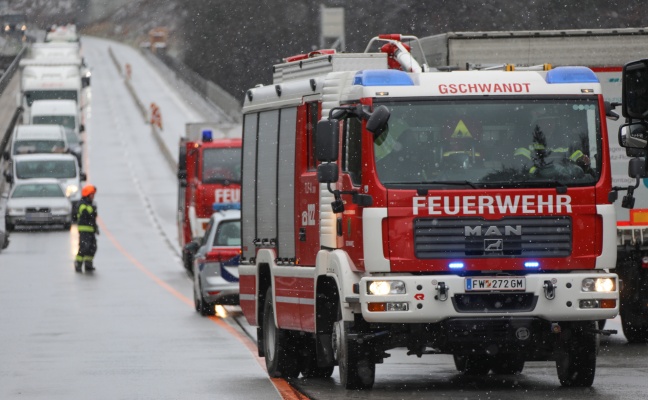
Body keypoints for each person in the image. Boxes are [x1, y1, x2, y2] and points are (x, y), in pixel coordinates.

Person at [513, 114, 592, 177]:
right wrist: (539, 172)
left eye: (552, 122)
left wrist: (583, 162)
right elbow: (521, 167)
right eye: (545, 122)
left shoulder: (565, 140)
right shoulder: (528, 140)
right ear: (538, 124)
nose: (549, 125)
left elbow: (576, 159)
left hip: (564, 182)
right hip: (536, 183)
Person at [75, 184, 98, 272]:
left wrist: (96, 228)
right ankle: (78, 263)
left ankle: (88, 264)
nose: (93, 196)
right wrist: (92, 209)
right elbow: (87, 213)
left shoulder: (90, 204)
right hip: (84, 230)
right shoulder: (82, 204)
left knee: (92, 247)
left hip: (91, 230)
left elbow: (93, 218)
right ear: (87, 195)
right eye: (92, 194)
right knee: (84, 247)